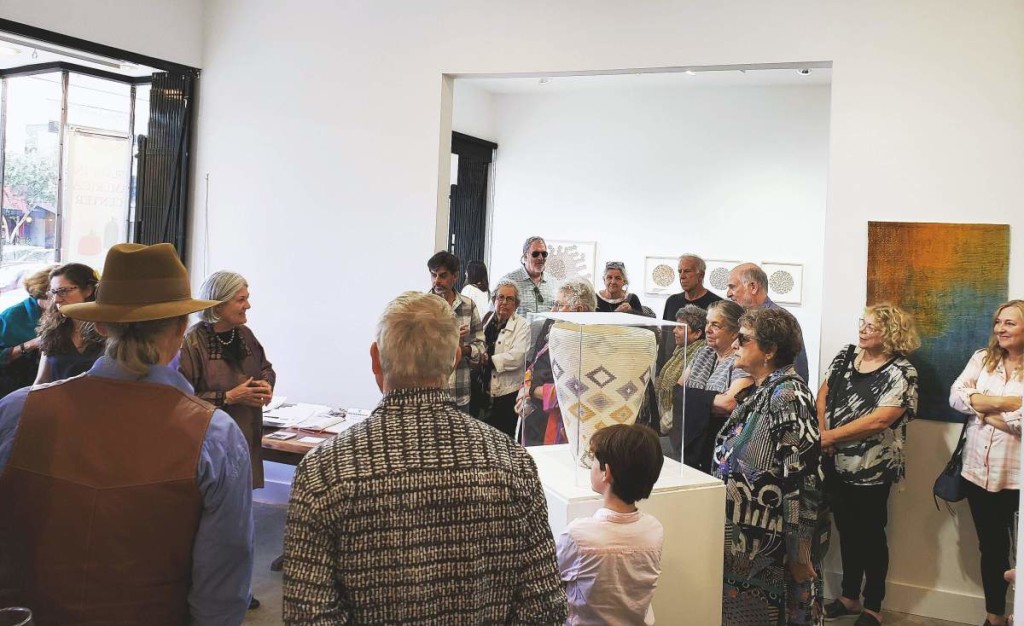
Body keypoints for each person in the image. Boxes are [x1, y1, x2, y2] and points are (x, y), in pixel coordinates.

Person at [0, 243, 254, 623]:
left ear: (101, 325)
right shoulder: (215, 435)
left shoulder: (18, 411)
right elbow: (222, 580)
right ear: (182, 327)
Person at [282, 291, 567, 624]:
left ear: (375, 358)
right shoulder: (512, 462)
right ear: (454, 358)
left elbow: (308, 615)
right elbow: (544, 608)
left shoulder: (323, 471)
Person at [713, 307, 824, 625]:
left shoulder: (788, 396)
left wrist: (800, 552)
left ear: (770, 350)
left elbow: (804, 480)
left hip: (771, 554)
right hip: (748, 549)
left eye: (744, 339)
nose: (735, 344)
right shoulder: (764, 391)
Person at [817, 304, 920, 626]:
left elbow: (881, 419)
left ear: (890, 333)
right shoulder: (846, 356)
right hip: (834, 460)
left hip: (872, 467)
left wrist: (828, 436)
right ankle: (849, 596)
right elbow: (822, 396)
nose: (863, 329)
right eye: (863, 322)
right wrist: (824, 436)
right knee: (846, 530)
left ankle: (873, 605)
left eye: (872, 326)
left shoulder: (902, 371)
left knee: (871, 536)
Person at [950, 299, 1024, 626]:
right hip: (978, 474)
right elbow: (956, 396)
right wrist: (1008, 403)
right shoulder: (983, 358)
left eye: (1009, 323)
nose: (1000, 329)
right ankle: (994, 617)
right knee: (992, 551)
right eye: (998, 322)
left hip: (1017, 478)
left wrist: (980, 408)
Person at [556, 424, 665, 625]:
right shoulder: (654, 530)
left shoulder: (578, 536)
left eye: (594, 460)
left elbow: (551, 582)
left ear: (606, 472)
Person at [179, 271, 275, 493]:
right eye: (241, 300)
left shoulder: (245, 335)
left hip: (246, 433)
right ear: (218, 305)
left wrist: (266, 385)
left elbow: (265, 368)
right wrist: (229, 397)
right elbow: (182, 399)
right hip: (210, 444)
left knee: (241, 505)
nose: (248, 305)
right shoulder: (192, 343)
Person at [664, 300, 752, 470]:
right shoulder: (703, 351)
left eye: (715, 325)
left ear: (734, 332)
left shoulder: (741, 360)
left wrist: (691, 398)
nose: (707, 330)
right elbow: (677, 390)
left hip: (718, 448)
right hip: (687, 442)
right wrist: (710, 401)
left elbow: (729, 404)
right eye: (707, 323)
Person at [517, 277, 598, 446]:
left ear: (579, 310)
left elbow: (577, 390)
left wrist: (532, 391)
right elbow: (532, 367)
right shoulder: (558, 335)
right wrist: (523, 391)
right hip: (535, 419)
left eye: (559, 305)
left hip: (561, 426)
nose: (553, 310)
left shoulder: (589, 344)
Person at [726, 262, 810, 382]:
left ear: (753, 287)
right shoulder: (741, 318)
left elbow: (796, 370)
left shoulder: (781, 320)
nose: (728, 293)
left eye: (732, 287)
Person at [427, 251, 485, 414]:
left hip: (459, 393)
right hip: (429, 394)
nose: (436, 281)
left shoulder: (468, 305)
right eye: (433, 275)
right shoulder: (422, 306)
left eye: (442, 275)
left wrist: (463, 349)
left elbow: (481, 346)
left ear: (455, 276)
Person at [33, 262, 105, 384]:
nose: (56, 299)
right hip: (58, 401)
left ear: (88, 290)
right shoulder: (53, 331)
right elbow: (42, 381)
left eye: (63, 291)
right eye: (53, 292)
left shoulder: (109, 330)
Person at [479, 279, 531, 438]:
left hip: (507, 395)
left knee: (504, 440)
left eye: (510, 299)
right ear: (494, 299)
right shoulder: (487, 319)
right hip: (483, 391)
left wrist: (489, 360)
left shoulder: (522, 325)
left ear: (516, 304)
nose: (504, 302)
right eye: (500, 297)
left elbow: (518, 356)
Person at [0, 265, 55, 397]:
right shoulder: (11, 317)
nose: (59, 300)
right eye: (54, 295)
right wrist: (31, 344)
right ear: (40, 295)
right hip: (14, 384)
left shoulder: (66, 314)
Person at [654, 304, 706, 438]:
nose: (674, 331)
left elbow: (681, 396)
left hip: (676, 430)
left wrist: (663, 426)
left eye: (680, 328)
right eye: (675, 326)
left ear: (697, 333)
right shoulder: (680, 352)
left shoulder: (699, 356)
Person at [501, 235, 554, 315]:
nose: (540, 258)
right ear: (525, 256)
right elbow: (495, 314)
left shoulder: (553, 283)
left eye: (544, 254)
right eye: (535, 254)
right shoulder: (508, 281)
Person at [662, 253, 723, 322]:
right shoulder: (672, 301)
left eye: (687, 271)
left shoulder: (717, 305)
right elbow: (665, 331)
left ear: (701, 276)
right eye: (680, 271)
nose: (682, 276)